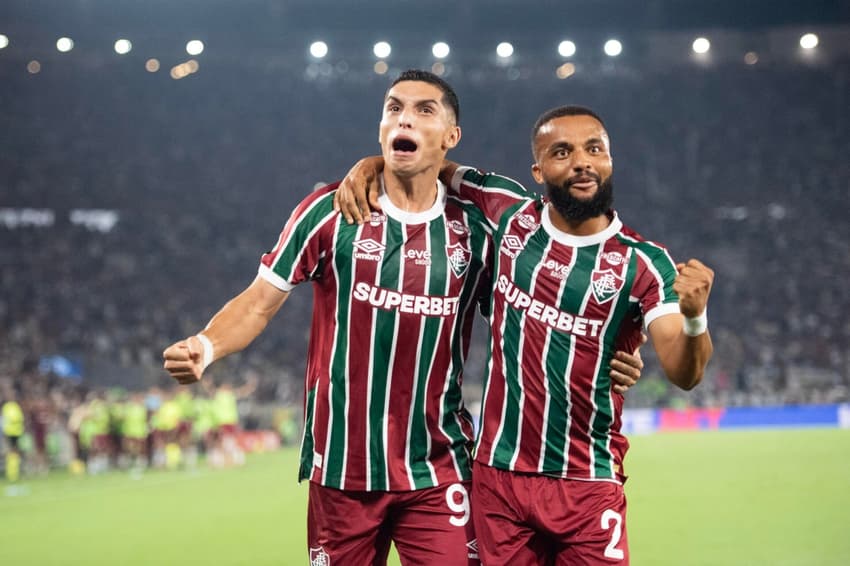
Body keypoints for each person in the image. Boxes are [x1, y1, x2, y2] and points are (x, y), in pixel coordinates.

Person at [163, 72, 643, 565]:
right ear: (380, 128)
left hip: (439, 469)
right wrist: (205, 346)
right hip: (343, 472)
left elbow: (548, 302)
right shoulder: (332, 213)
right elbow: (259, 301)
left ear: (451, 138)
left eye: (423, 110)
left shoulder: (478, 228)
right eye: (394, 109)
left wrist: (618, 351)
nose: (405, 118)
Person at [337, 104, 714, 564]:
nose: (581, 161)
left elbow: (684, 373)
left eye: (594, 149)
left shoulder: (644, 263)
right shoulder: (507, 212)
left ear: (610, 161)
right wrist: (373, 163)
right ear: (538, 169)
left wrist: (696, 320)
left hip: (588, 480)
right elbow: (430, 160)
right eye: (562, 152)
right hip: (500, 480)